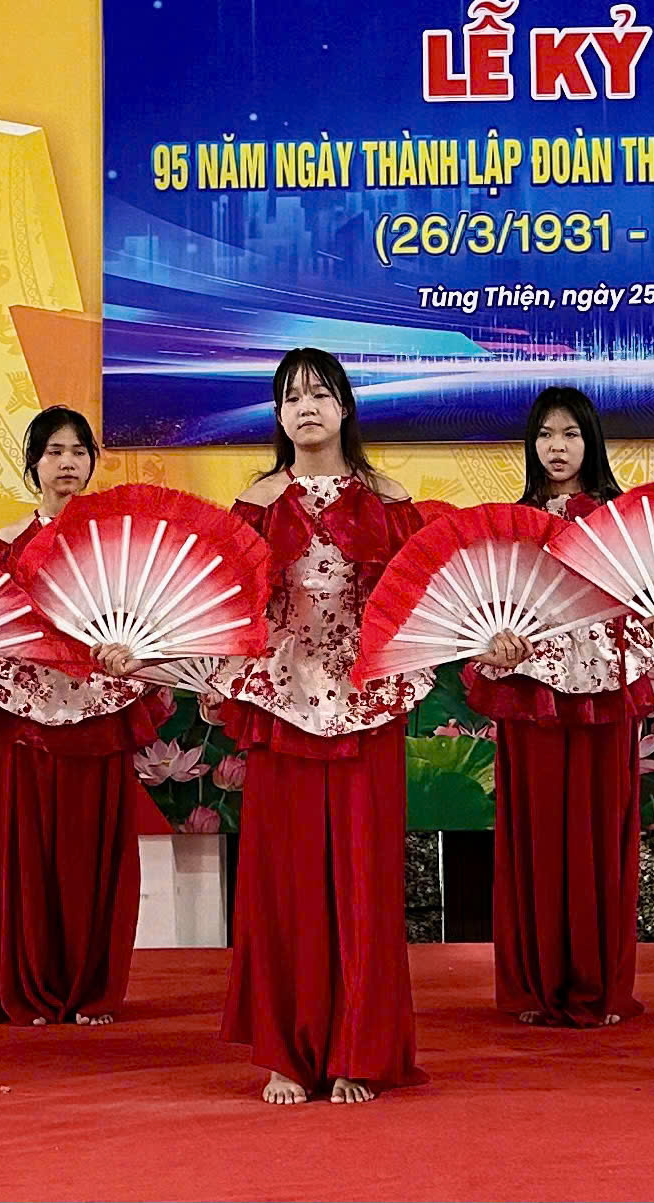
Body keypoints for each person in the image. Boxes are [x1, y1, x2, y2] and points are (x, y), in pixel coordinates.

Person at [210, 349, 431, 1105]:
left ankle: (356, 1050)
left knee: (366, 879)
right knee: (285, 880)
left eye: (320, 394)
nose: (306, 407)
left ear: (345, 407)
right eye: (292, 396)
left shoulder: (390, 499)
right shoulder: (255, 503)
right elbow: (229, 606)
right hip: (281, 704)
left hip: (366, 706)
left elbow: (416, 602)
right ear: (278, 414)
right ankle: (287, 1053)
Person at [0, 407, 169, 1027]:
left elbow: (153, 620)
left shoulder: (122, 546)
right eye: (54, 452)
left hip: (101, 711)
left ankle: (91, 989)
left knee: (93, 853)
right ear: (33, 465)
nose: (68, 463)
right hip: (25, 713)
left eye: (79, 452)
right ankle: (28, 986)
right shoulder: (6, 545)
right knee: (26, 852)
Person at [467, 387, 654, 1028]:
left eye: (571, 434)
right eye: (546, 434)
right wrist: (495, 643)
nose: (557, 447)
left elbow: (647, 602)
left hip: (607, 689)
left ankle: (597, 985)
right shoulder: (510, 523)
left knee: (601, 833)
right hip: (530, 692)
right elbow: (485, 607)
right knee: (533, 834)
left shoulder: (623, 522)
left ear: (591, 442)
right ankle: (535, 983)